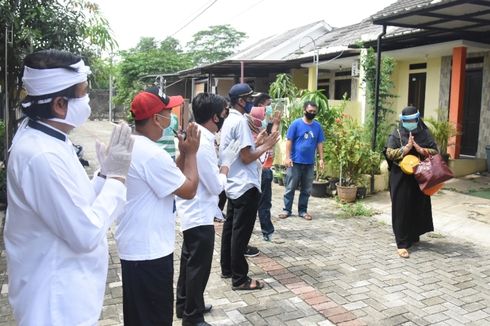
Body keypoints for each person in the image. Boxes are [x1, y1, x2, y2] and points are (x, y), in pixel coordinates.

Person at [4, 49, 134, 325]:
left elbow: (75, 203)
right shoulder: (42, 155)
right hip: (54, 306)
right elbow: (85, 233)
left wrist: (102, 176)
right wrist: (117, 178)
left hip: (68, 295)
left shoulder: (51, 138)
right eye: (84, 93)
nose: (88, 100)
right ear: (60, 104)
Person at [115, 90, 200, 325]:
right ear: (155, 118)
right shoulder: (151, 154)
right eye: (167, 113)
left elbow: (169, 177)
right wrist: (192, 153)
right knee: (155, 318)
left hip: (136, 247)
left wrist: (183, 153)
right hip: (149, 252)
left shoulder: (134, 144)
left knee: (139, 316)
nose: (170, 118)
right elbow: (189, 189)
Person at [175, 93, 240, 326]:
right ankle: (193, 317)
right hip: (199, 213)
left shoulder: (199, 135)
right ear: (214, 116)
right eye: (224, 113)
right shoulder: (202, 142)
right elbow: (214, 186)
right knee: (198, 268)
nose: (225, 117)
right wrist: (225, 166)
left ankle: (186, 305)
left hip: (193, 212)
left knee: (189, 263)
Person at [219, 83, 279, 291]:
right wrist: (267, 145)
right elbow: (246, 157)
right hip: (245, 185)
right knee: (240, 234)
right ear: (241, 101)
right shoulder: (240, 123)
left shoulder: (230, 120)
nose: (253, 103)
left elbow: (241, 150)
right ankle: (240, 278)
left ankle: (227, 268)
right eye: (250, 99)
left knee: (230, 229)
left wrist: (259, 141)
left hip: (233, 184)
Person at [384, 106, 438, 258]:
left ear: (418, 118)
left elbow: (435, 151)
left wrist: (420, 149)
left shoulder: (424, 132)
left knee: (417, 205)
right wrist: (406, 148)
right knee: (401, 207)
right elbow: (389, 153)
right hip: (400, 176)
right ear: (402, 120)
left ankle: (413, 235)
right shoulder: (396, 133)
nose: (410, 123)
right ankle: (401, 243)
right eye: (407, 121)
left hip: (419, 175)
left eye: (413, 120)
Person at [279, 101, 324, 221]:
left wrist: (321, 159)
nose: (312, 113)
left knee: (306, 189)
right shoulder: (296, 124)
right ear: (304, 110)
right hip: (295, 162)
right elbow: (289, 141)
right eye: (310, 111)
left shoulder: (317, 126)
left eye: (314, 112)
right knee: (290, 187)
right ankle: (286, 210)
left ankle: (302, 211)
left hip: (309, 163)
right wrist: (287, 157)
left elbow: (319, 143)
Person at [250, 93, 281, 241]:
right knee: (263, 202)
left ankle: (262, 230)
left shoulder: (254, 122)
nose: (270, 108)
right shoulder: (257, 123)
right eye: (268, 104)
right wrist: (275, 124)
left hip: (261, 167)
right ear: (261, 105)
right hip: (261, 168)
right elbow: (271, 140)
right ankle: (267, 232)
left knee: (257, 202)